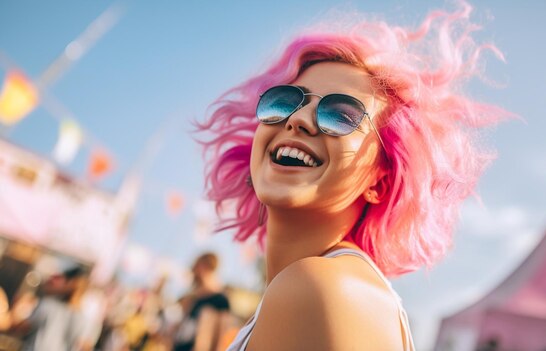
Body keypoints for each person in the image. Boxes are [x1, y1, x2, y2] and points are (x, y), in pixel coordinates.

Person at [197, 2, 508, 350]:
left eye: (341, 115)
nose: (297, 119)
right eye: (284, 102)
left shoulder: (317, 289)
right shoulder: (327, 286)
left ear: (381, 181)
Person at [15, 266, 93, 351]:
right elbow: (85, 346)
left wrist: (18, 309)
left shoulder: (48, 305)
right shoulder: (84, 319)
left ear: (70, 283)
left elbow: (22, 328)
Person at [173, 253, 231, 351]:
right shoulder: (193, 299)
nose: (194, 272)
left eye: (196, 267)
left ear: (205, 267)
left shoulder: (220, 300)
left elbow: (221, 338)